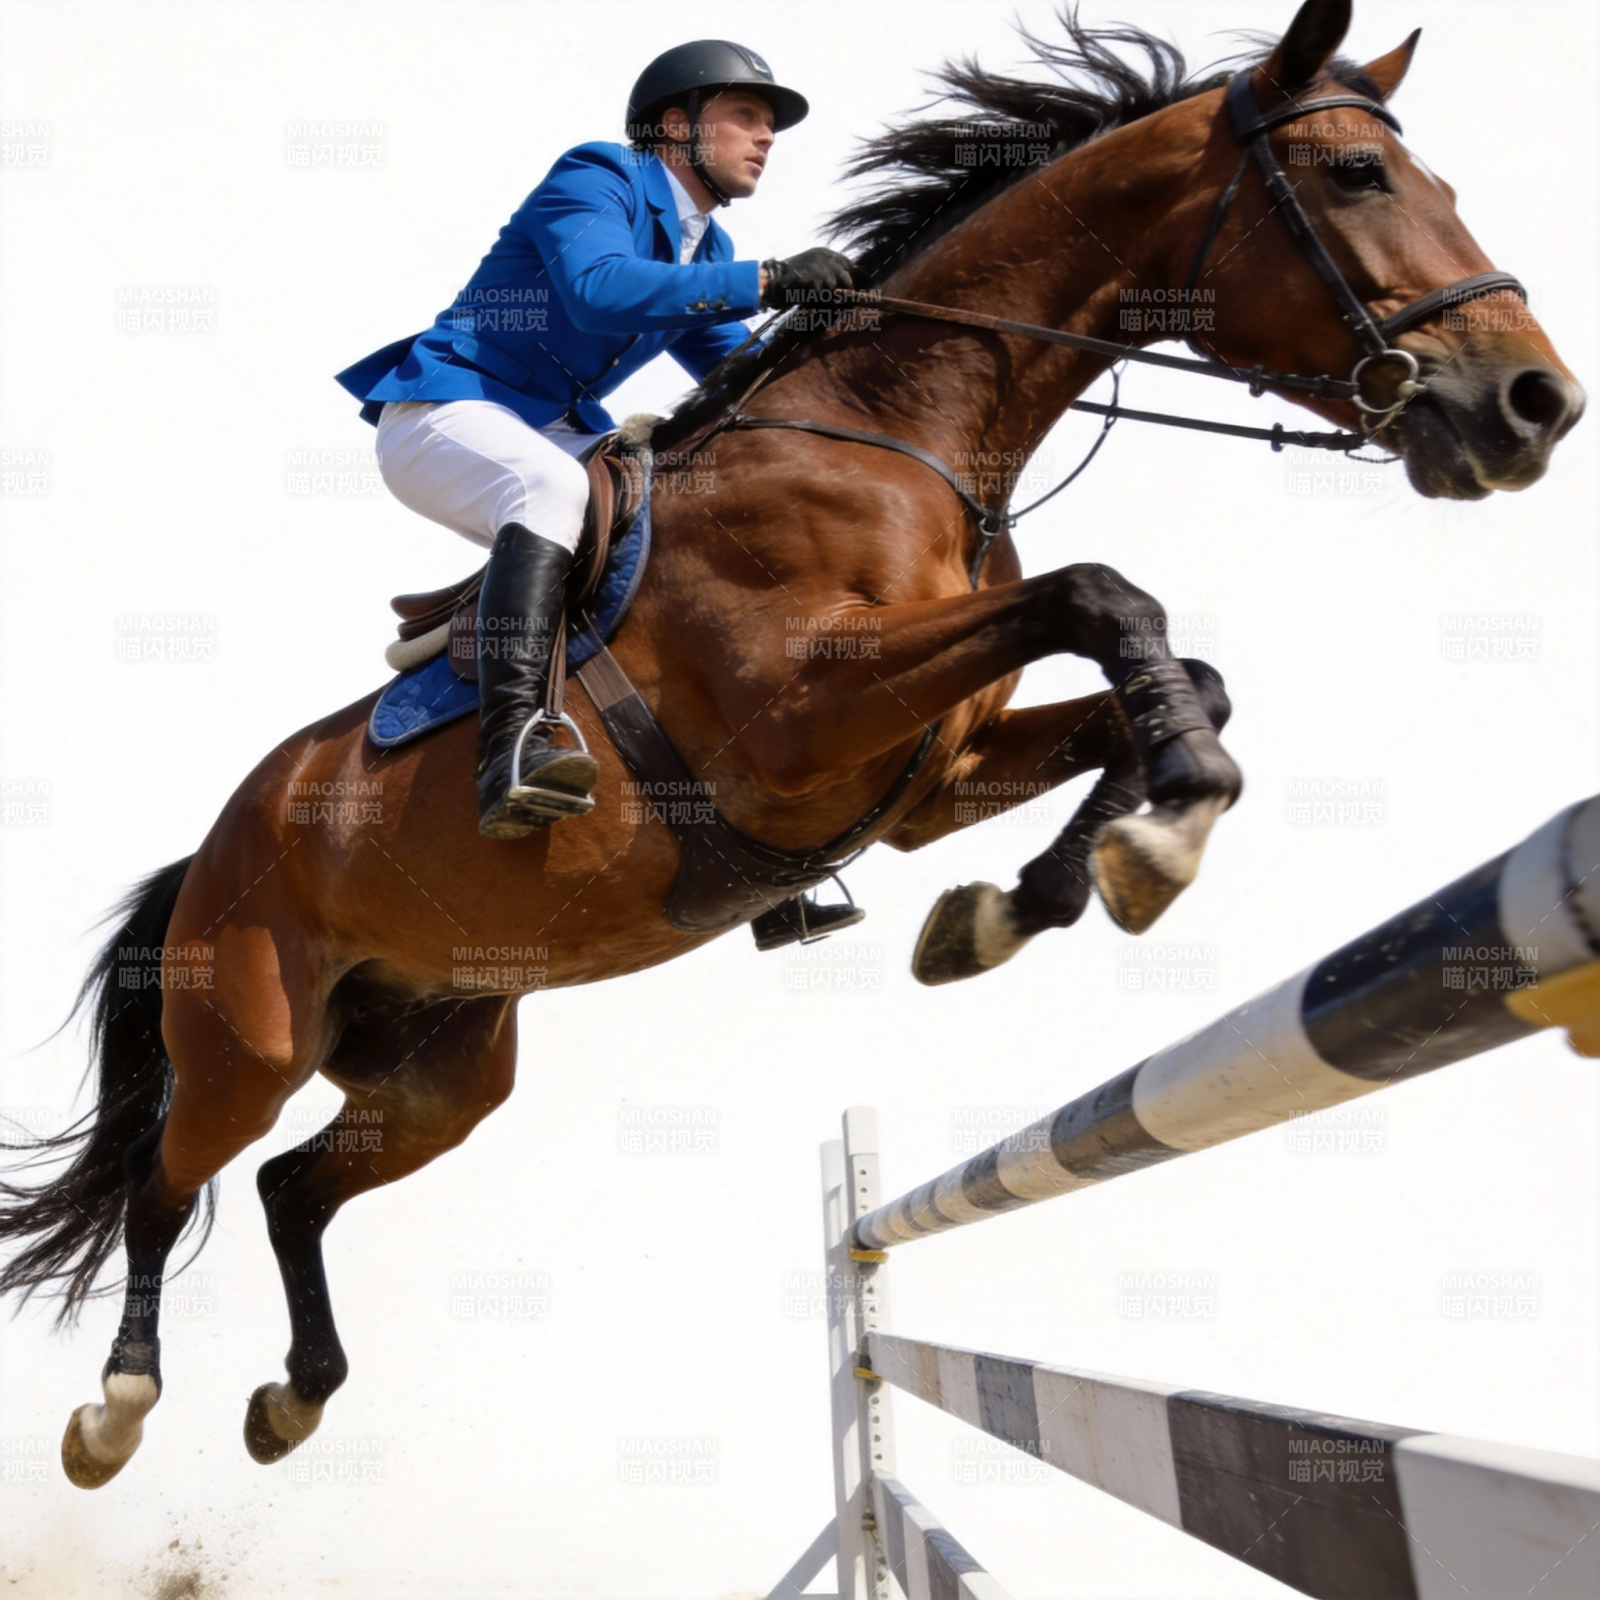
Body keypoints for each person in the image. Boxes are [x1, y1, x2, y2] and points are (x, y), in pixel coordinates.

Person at [336, 41, 854, 838]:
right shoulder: (598, 174)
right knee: (551, 488)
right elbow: (598, 290)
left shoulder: (703, 247)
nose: (766, 136)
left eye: (768, 123)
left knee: (681, 508)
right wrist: (769, 279)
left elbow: (735, 372)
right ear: (676, 129)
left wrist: (842, 345)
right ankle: (510, 747)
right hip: (444, 411)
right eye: (747, 115)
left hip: (549, 429)